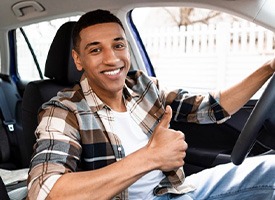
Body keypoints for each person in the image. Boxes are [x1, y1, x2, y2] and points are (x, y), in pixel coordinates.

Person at [27, 9, 275, 200]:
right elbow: (47, 192)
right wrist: (151, 157)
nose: (112, 59)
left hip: (175, 191)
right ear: (78, 59)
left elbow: (209, 108)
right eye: (95, 50)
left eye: (118, 45)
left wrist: (268, 69)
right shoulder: (62, 111)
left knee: (271, 168)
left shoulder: (141, 86)